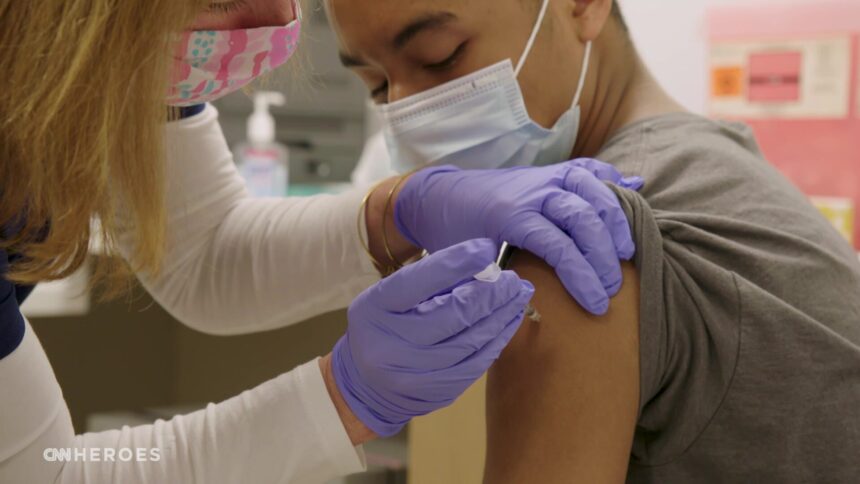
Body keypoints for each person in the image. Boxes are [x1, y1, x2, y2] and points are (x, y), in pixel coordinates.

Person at [0, 0, 644, 482]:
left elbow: (202, 253)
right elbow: (44, 473)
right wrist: (343, 397)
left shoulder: (126, 48)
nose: (280, 13)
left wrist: (395, 215)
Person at [324, 0, 860, 482]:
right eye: (376, 86)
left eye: (441, 57)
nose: (407, 113)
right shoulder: (722, 163)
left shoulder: (580, 235)